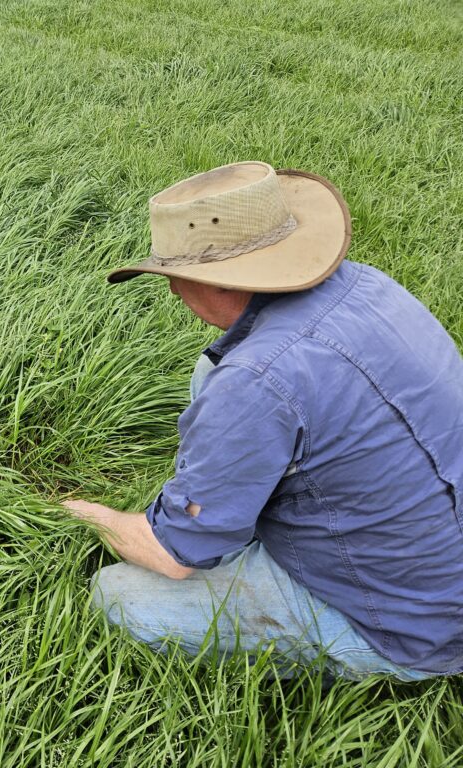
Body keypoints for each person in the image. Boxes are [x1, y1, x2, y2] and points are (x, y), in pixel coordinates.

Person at [65, 161, 463, 680]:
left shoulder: (257, 379)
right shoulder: (366, 285)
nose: (170, 291)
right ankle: (234, 504)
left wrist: (88, 514)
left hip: (411, 625)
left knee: (116, 596)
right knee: (209, 373)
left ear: (219, 283)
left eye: (176, 275)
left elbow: (173, 555)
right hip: (433, 547)